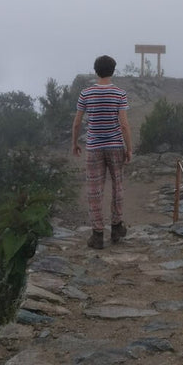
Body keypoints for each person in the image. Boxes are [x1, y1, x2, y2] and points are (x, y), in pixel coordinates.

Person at [71, 55, 133, 249]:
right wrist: (129, 148)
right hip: (115, 146)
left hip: (94, 148)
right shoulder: (119, 94)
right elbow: (124, 125)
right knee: (118, 186)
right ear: (113, 71)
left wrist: (75, 143)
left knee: (94, 190)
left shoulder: (86, 94)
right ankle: (116, 227)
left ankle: (97, 234)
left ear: (96, 70)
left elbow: (77, 122)